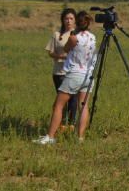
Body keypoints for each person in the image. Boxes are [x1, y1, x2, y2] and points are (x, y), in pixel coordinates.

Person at [33, 10, 97, 144]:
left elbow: (67, 49)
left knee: (58, 105)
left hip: (74, 74)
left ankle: (50, 136)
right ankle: (80, 138)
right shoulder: (92, 37)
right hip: (88, 75)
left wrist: (73, 34)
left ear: (77, 23)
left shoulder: (74, 37)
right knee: (83, 106)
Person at [44, 8, 80, 130]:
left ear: (75, 20)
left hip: (74, 72)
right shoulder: (57, 35)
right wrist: (60, 56)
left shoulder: (79, 35)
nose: (68, 21)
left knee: (74, 99)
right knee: (62, 99)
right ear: (62, 20)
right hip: (59, 72)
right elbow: (50, 52)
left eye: (71, 18)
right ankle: (61, 124)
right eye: (66, 18)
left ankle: (71, 124)